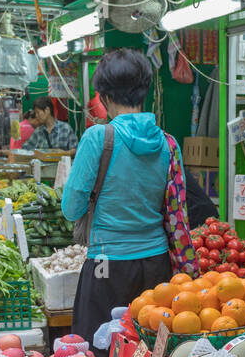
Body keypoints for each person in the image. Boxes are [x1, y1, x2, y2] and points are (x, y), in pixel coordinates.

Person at [62, 49, 177, 339]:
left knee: (100, 354)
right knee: (149, 351)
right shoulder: (168, 143)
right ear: (144, 90)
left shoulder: (98, 137)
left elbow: (71, 209)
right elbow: (175, 208)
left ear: (102, 95)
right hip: (157, 265)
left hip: (106, 265)